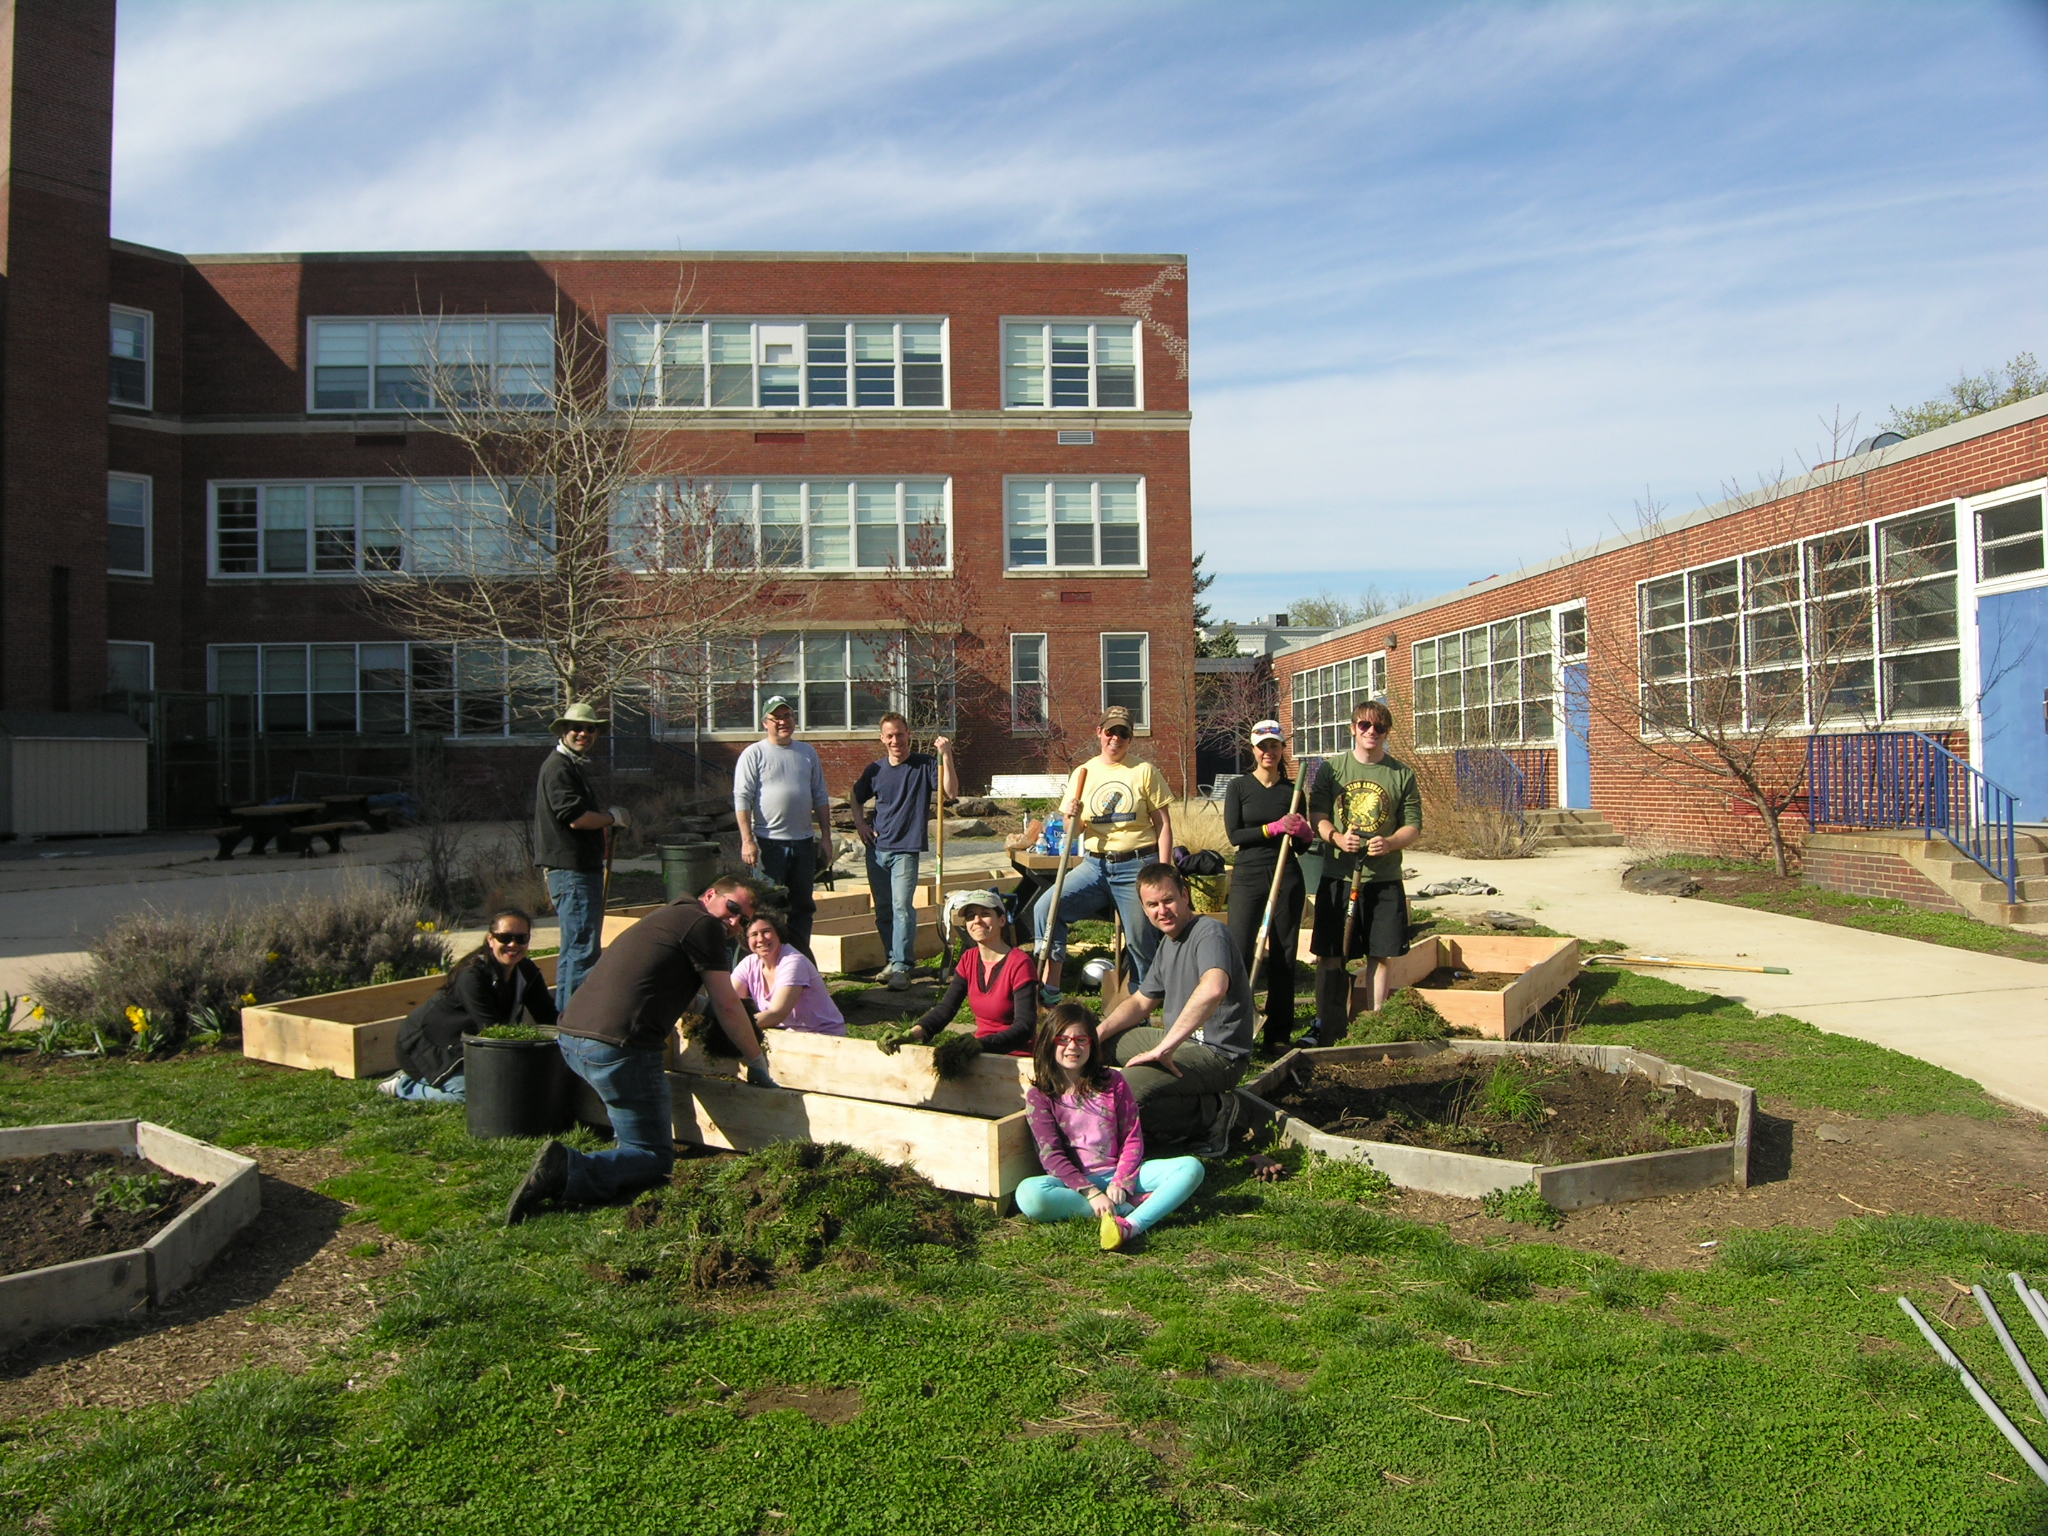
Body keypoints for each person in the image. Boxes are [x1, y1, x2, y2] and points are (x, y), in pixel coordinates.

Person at [505, 877, 772, 1224]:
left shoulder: (670, 917)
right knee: (654, 1157)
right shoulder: (704, 925)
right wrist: (755, 1061)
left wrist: (706, 1012)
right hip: (618, 1050)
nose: (735, 922)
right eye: (733, 908)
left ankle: (622, 1139)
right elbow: (729, 1005)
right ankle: (568, 1169)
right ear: (710, 895)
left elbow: (677, 990)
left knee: (631, 1121)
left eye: (744, 919)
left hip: (572, 1038)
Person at [1014, 1003, 1205, 1250]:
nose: (1072, 1046)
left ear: (1092, 1044)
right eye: (1063, 1039)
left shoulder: (1113, 1082)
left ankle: (1132, 1224)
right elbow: (1051, 1156)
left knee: (1191, 1167)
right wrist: (1091, 1193)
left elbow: (1132, 1137)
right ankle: (1126, 1207)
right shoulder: (1040, 1096)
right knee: (1028, 1195)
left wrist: (1122, 1181)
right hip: (1074, 1183)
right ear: (1049, 1044)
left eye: (1081, 1039)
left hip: (1118, 1174)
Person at [1096, 861, 1256, 1157]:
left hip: (1217, 1054)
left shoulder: (1209, 933)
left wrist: (1165, 1047)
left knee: (1125, 1089)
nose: (1162, 910)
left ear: (1185, 895)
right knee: (1104, 1045)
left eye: (1168, 900)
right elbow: (1142, 1002)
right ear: (1144, 909)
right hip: (1179, 1044)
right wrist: (1097, 1034)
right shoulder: (1168, 942)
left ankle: (1214, 1111)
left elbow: (1214, 987)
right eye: (1152, 904)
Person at [1303, 698, 1423, 1048]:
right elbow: (1318, 814)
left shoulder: (1401, 774)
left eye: (1379, 727)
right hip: (1339, 878)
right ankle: (1324, 1021)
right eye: (1364, 725)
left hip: (1382, 879)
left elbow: (1413, 826)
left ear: (1387, 732)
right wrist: (1337, 837)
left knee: (1379, 953)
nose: (1372, 732)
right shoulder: (1332, 770)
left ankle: (1374, 1021)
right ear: (1353, 728)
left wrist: (1390, 843)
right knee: (1330, 955)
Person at [1033, 706, 1174, 1004]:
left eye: (1123, 733)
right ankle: (1051, 990)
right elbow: (1075, 831)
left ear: (1130, 738)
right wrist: (1072, 816)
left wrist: (1164, 873)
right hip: (1095, 866)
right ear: (1099, 732)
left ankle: (1142, 1003)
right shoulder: (1083, 773)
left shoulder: (1144, 771)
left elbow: (1162, 824)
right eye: (1110, 731)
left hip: (1137, 864)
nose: (1116, 738)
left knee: (1140, 939)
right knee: (1047, 908)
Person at [380, 907, 554, 1102]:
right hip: (429, 1047)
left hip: (467, 1046)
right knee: (477, 1095)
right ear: (491, 939)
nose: (513, 944)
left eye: (521, 938)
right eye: (504, 938)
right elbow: (493, 1030)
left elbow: (548, 1016)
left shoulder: (526, 972)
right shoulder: (472, 976)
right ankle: (404, 1085)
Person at [1223, 721, 1315, 1053]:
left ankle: (1278, 1033)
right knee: (1240, 950)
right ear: (1253, 749)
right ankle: (1234, 1028)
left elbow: (1303, 846)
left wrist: (1304, 834)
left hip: (1286, 874)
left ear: (1281, 750)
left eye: (1274, 746)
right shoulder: (1239, 787)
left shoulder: (1294, 792)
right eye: (1262, 746)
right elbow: (1235, 836)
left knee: (1284, 955)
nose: (1268, 752)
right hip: (1249, 875)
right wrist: (1273, 828)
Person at [850, 713, 959, 989]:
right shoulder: (875, 770)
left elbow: (951, 792)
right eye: (890, 735)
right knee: (884, 909)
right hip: (876, 849)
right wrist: (860, 824)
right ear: (882, 739)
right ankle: (892, 959)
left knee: (902, 907)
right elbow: (855, 795)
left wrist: (946, 755)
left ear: (908, 734)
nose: (895, 740)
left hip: (905, 849)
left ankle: (902, 966)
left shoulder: (924, 765)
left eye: (900, 734)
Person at [534, 700, 628, 1012]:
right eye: (576, 727)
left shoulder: (572, 765)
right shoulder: (559, 768)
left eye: (590, 729)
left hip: (578, 870)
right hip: (572, 872)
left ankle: (565, 1018)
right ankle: (576, 1025)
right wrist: (611, 819)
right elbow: (575, 817)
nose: (583, 733)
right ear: (563, 730)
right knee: (583, 951)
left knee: (573, 950)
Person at [734, 695, 834, 958]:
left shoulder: (807, 753)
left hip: (803, 843)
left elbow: (820, 796)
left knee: (802, 907)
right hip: (769, 845)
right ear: (765, 722)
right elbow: (742, 798)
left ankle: (799, 961)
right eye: (776, 717)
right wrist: (747, 841)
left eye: (787, 716)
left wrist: (826, 838)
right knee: (768, 910)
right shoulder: (753, 754)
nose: (783, 722)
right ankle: (767, 964)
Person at [885, 889, 1038, 1055]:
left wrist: (983, 1044)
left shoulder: (1020, 964)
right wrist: (910, 1034)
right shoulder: (969, 959)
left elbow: (1025, 1027)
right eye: (971, 916)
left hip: (1016, 1054)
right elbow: (946, 1008)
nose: (977, 920)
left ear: (1001, 920)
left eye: (985, 914)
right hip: (979, 1051)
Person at [730, 912, 846, 1036]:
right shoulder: (749, 964)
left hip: (823, 1035)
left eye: (766, 932)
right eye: (754, 934)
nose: (761, 939)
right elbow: (730, 1001)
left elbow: (777, 1014)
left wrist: (734, 1025)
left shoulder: (793, 962)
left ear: (778, 934)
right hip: (789, 1034)